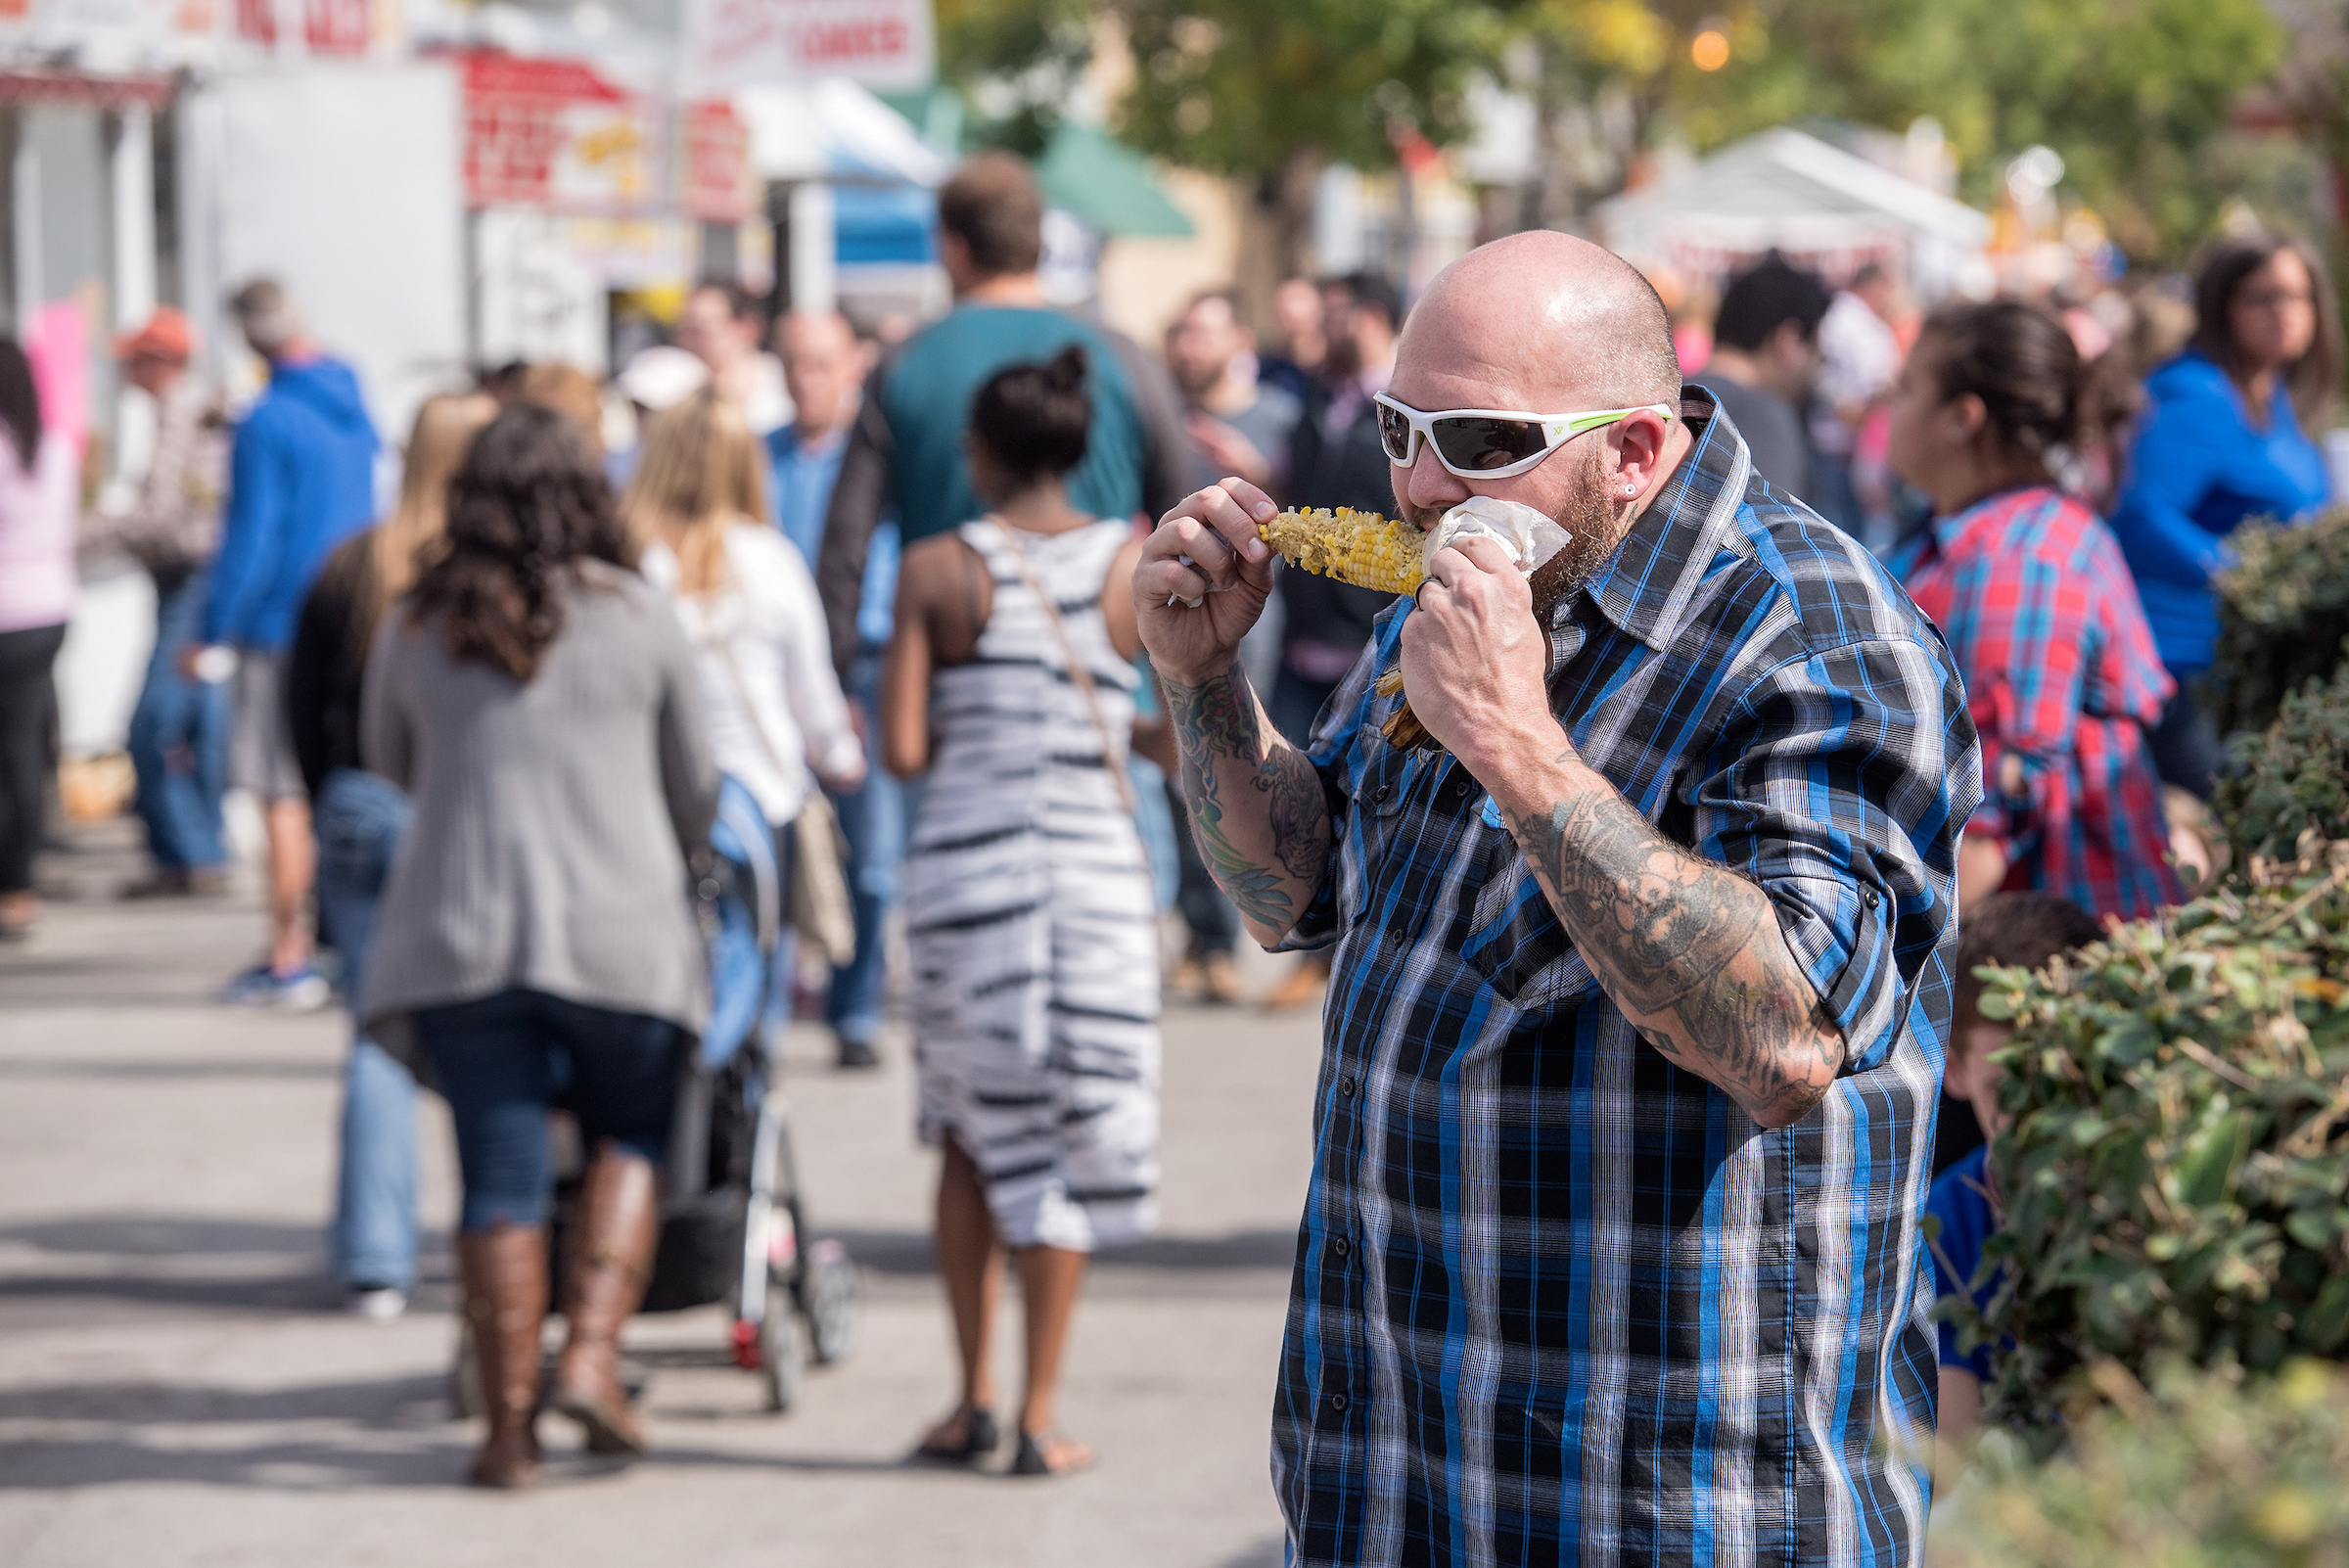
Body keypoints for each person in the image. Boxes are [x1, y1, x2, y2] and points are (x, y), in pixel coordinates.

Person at [1139, 230, 1976, 1564]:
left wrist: (1520, 746)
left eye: (1477, 439)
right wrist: (1199, 681)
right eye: (1400, 426)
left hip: (1665, 1499)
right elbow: (1297, 890)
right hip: (1401, 1473)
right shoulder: (1480, 583)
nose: (1416, 483)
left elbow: (1785, 1038)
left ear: (1632, 453)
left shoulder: (1817, 636)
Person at [359, 404, 718, 1488]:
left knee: (500, 1173)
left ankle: (506, 1429)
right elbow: (696, 787)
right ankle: (592, 1360)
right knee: (630, 1139)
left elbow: (389, 768)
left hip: (463, 936)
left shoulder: (416, 621)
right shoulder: (639, 613)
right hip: (624, 938)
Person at [883, 346, 1157, 1479]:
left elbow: (902, 745)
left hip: (966, 884)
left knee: (966, 1130)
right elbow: (1177, 728)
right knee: (1068, 1139)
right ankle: (1043, 1416)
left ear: (981, 453)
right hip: (1092, 883)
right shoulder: (1131, 566)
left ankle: (970, 1397)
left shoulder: (938, 570)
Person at [814, 149, 1190, 678]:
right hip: (1113, 695)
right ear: (1039, 242)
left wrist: (838, 679)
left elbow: (845, 546)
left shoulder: (903, 365)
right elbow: (1189, 522)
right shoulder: (1125, 359)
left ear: (954, 246)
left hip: (951, 704)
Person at [288, 391, 498, 1320]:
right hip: (455, 810)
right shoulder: (481, 581)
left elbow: (303, 713)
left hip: (358, 808)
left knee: (378, 1034)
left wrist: (330, 800)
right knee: (496, 1034)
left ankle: (376, 1260)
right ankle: (506, 1230)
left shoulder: (350, 567)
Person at [1886, 299, 2179, 922]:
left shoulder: (2020, 564)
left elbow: (1986, 819)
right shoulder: (1983, 533)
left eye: (1906, 389)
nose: (1891, 407)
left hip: (2041, 966)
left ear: (1962, 418)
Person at [628, 388, 865, 1058]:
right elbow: (811, 692)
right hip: (762, 796)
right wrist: (840, 754)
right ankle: (738, 1102)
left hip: (655, 797)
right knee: (755, 965)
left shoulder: (634, 564)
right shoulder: (770, 559)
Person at [188, 278, 380, 1008]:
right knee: (343, 780)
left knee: (281, 790)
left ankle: (290, 952)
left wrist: (213, 627)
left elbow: (252, 534)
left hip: (280, 621)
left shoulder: (266, 420)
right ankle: (338, 938)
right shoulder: (352, 399)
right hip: (354, 607)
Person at [2109, 232, 2340, 800]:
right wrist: (2246, 575)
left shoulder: (2273, 394)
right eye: (2262, 297)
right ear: (2221, 305)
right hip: (2184, 674)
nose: (2284, 313)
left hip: (2241, 669)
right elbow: (2139, 516)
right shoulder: (2198, 397)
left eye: (2298, 296)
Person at [1261, 270, 1405, 1012]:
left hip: (1368, 632)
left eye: (1338, 311)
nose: (1323, 324)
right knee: (1290, 793)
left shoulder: (1401, 410)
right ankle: (1315, 948)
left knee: (1362, 797)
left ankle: (1335, 958)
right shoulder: (1318, 399)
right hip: (1305, 631)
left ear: (1373, 317)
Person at [1925, 891, 2103, 1453]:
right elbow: (1958, 1455)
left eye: (2064, 1074)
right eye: (2009, 1088)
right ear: (1953, 1069)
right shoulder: (1947, 1224)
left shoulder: (2144, 1196)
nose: (2040, 1114)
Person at [1165, 287, 1304, 1003]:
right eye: (1183, 332)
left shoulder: (1279, 416)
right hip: (1169, 610)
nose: (1191, 346)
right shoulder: (1160, 411)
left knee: (1243, 753)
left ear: (1237, 338)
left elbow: (1306, 507)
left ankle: (1232, 931)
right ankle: (1203, 937)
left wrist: (1261, 470)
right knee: (1179, 769)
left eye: (1205, 332)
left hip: (1256, 616)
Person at [773, 308, 902, 1067]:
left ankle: (855, 1010)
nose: (806, 380)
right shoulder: (762, 457)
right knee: (780, 836)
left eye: (820, 363)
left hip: (864, 666)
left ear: (855, 364)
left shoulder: (881, 459)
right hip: (774, 672)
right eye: (793, 364)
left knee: (872, 852)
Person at [80, 308, 232, 899]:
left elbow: (160, 517)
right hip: (198, 578)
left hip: (188, 578)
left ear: (157, 362)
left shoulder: (180, 411)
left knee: (155, 724)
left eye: (131, 359)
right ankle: (201, 851)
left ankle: (187, 853)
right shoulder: (198, 409)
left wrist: (74, 535)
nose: (123, 371)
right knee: (199, 722)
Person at [0, 339, 77, 941]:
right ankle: (21, 884)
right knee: (25, 748)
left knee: (11, 756)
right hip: (48, 609)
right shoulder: (54, 450)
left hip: (7, 614)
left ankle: (13, 879)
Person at [1693, 254, 1829, 497]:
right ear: (1790, 341)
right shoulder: (1762, 416)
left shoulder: (1671, 395)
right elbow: (1778, 529)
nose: (1815, 371)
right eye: (1818, 355)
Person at [1170, 288, 1304, 496]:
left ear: (1241, 340)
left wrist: (1257, 477)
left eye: (1202, 335)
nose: (1187, 347)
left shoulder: (1285, 418)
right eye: (1182, 332)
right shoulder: (1166, 417)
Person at [1811, 261, 1903, 536]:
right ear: (1873, 286)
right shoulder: (1854, 322)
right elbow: (1872, 381)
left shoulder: (1843, 318)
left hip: (1846, 442)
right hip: (1842, 442)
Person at [677, 281, 788, 436]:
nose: (696, 340)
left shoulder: (781, 379)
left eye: (708, 327)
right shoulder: (677, 386)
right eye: (689, 328)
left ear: (744, 327)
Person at [1257, 276, 1328, 405]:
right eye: (1282, 302)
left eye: (1298, 299)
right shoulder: (1270, 373)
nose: (1291, 309)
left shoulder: (1340, 367)